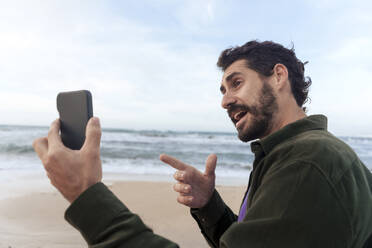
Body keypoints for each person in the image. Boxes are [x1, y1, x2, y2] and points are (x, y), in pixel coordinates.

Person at [33, 40, 372, 248]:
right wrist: (210, 205)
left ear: (278, 76)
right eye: (222, 91)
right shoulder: (286, 155)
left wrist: (85, 195)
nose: (225, 101)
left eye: (235, 83)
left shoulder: (308, 162)